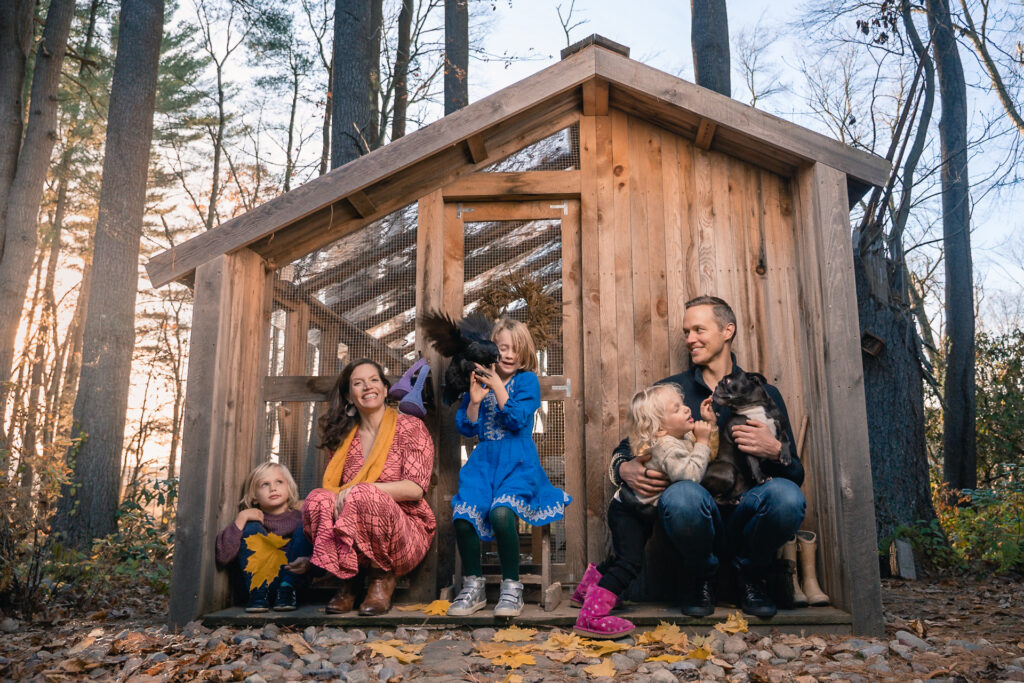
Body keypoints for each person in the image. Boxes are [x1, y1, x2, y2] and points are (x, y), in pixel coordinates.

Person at [610, 296, 805, 618]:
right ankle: (700, 577)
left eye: (698, 329)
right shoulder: (673, 391)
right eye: (686, 332)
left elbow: (795, 474)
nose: (689, 339)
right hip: (697, 512)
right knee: (683, 494)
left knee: (787, 496)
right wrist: (624, 469)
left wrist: (774, 450)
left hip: (748, 511)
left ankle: (751, 576)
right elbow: (627, 448)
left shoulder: (762, 394)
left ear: (727, 331)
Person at [447, 318, 572, 618]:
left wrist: (498, 386)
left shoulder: (527, 381)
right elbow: (467, 427)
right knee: (463, 516)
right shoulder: (476, 381)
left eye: (515, 349)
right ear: (491, 348)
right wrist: (475, 400)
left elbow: (516, 420)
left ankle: (511, 586)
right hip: (483, 463)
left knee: (502, 513)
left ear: (524, 352)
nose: (509, 354)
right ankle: (473, 586)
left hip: (518, 463)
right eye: (502, 347)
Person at [573, 383, 716, 638]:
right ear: (661, 428)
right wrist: (703, 441)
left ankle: (586, 590)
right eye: (677, 409)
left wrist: (705, 426)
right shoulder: (668, 447)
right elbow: (690, 475)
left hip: (630, 509)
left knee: (621, 559)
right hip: (629, 512)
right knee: (629, 564)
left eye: (683, 404)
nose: (686, 409)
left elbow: (691, 446)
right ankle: (591, 616)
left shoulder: (675, 438)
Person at [302, 359, 436, 616]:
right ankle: (347, 581)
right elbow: (333, 492)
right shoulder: (342, 436)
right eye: (358, 383)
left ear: (386, 389)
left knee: (363, 493)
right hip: (353, 530)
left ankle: (380, 580)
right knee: (318, 498)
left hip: (404, 533)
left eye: (374, 380)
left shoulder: (410, 427)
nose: (367, 387)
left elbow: (415, 488)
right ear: (349, 396)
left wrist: (359, 489)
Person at [216, 462, 311, 612]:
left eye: (279, 482)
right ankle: (259, 592)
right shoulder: (251, 521)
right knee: (251, 527)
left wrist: (310, 562)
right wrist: (241, 519)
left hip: (293, 583)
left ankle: (286, 590)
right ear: (254, 497)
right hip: (258, 585)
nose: (273, 488)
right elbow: (223, 556)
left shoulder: (301, 518)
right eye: (264, 484)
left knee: (306, 527)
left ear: (289, 487)